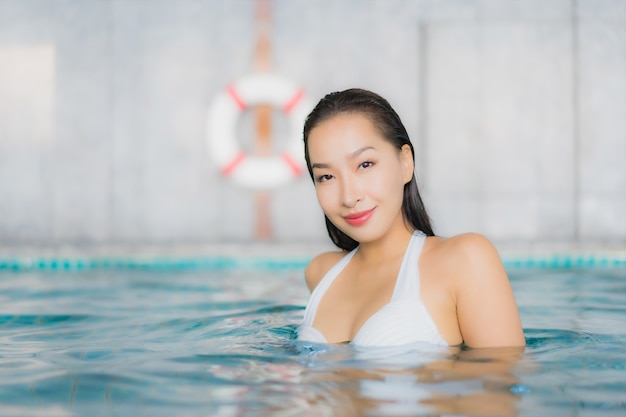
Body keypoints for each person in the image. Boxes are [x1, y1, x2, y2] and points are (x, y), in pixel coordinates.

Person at [298, 88, 525, 348]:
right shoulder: (320, 273)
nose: (349, 197)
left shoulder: (464, 259)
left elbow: (501, 381)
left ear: (405, 162)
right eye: (326, 176)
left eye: (365, 164)